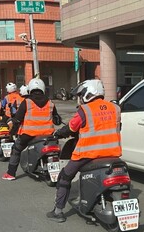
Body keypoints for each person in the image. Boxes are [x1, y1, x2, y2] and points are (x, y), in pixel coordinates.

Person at [46, 79, 122, 223]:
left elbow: (71, 128)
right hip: (112, 153)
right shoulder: (115, 108)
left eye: (81, 95)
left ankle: (58, 211)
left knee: (65, 177)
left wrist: (58, 133)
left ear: (88, 93)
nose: (80, 98)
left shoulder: (85, 110)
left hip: (87, 154)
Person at [2, 78, 61, 180]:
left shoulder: (27, 102)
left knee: (16, 149)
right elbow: (57, 120)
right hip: (48, 135)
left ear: (30, 89)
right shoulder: (50, 102)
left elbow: (17, 120)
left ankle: (10, 173)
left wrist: (12, 132)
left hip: (29, 135)